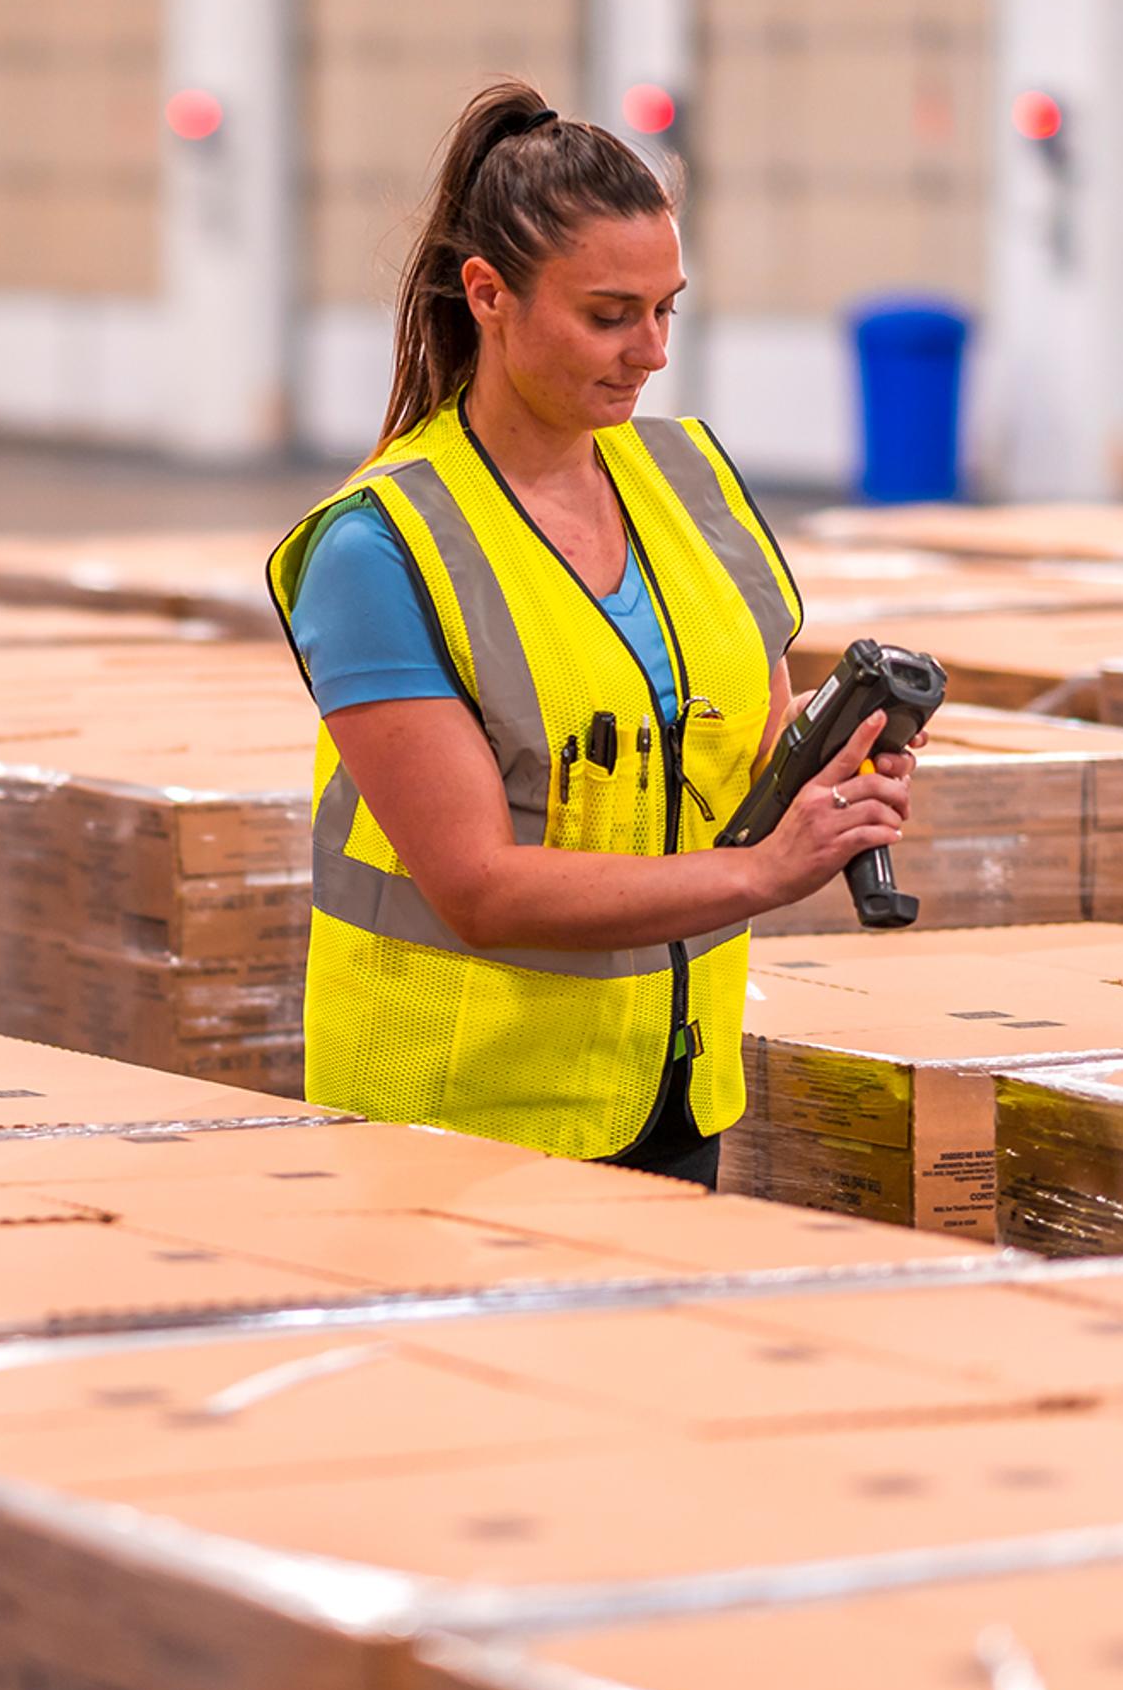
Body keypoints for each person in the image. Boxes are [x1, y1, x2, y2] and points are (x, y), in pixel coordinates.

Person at [263, 78, 915, 1189]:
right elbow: (479, 885)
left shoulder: (689, 487)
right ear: (489, 294)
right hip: (461, 1123)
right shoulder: (379, 549)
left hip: (674, 1088)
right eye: (610, 314)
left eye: (668, 308)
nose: (651, 350)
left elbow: (737, 748)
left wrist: (826, 771)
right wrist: (762, 873)